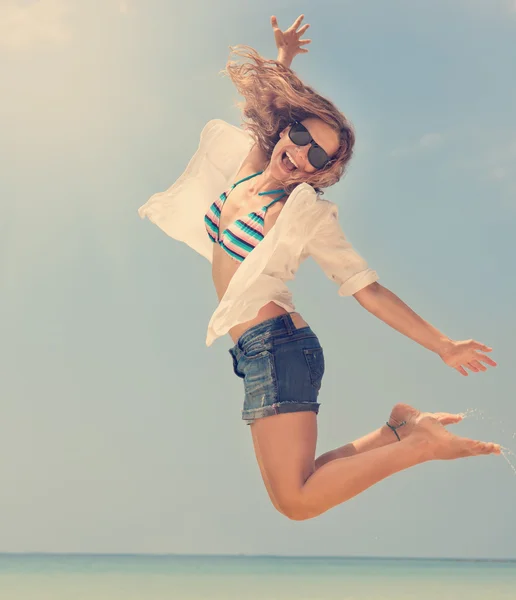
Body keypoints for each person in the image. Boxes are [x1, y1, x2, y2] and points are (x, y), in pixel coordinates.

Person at [139, 14, 500, 521]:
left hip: (281, 349)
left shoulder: (304, 212)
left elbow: (367, 289)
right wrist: (283, 59)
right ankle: (398, 432)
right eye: (300, 137)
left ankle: (419, 446)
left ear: (323, 172)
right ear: (285, 132)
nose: (302, 155)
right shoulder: (247, 176)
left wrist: (443, 345)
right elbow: (259, 108)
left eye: (318, 156)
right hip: (256, 350)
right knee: (299, 489)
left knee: (298, 502)